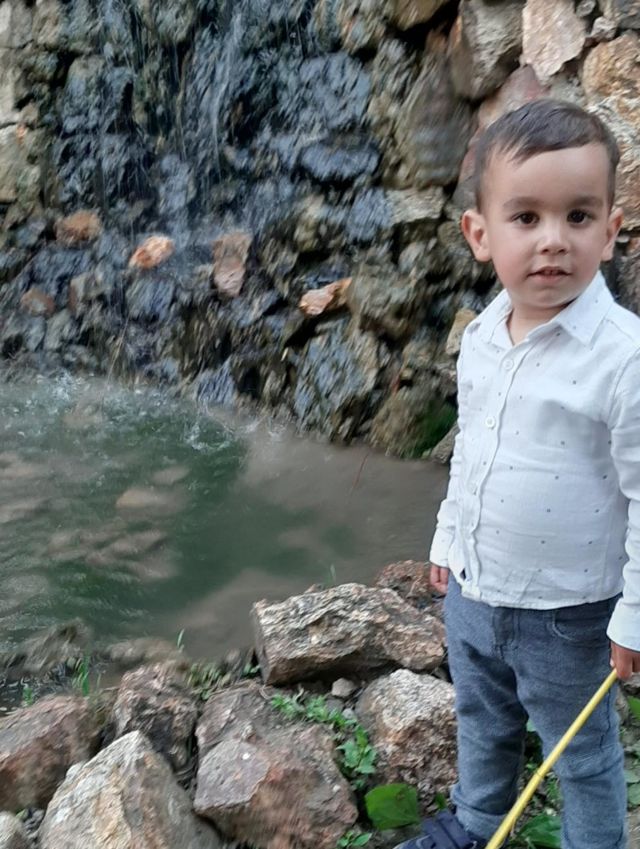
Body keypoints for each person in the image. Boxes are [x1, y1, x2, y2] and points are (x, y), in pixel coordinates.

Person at [398, 99, 640, 849]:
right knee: (482, 714)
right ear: (480, 234)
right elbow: (472, 448)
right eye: (526, 217)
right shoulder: (481, 337)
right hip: (474, 589)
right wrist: (447, 537)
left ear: (611, 229)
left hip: (569, 610)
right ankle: (477, 820)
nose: (553, 240)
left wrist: (634, 615)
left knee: (581, 753)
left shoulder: (623, 357)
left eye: (578, 216)